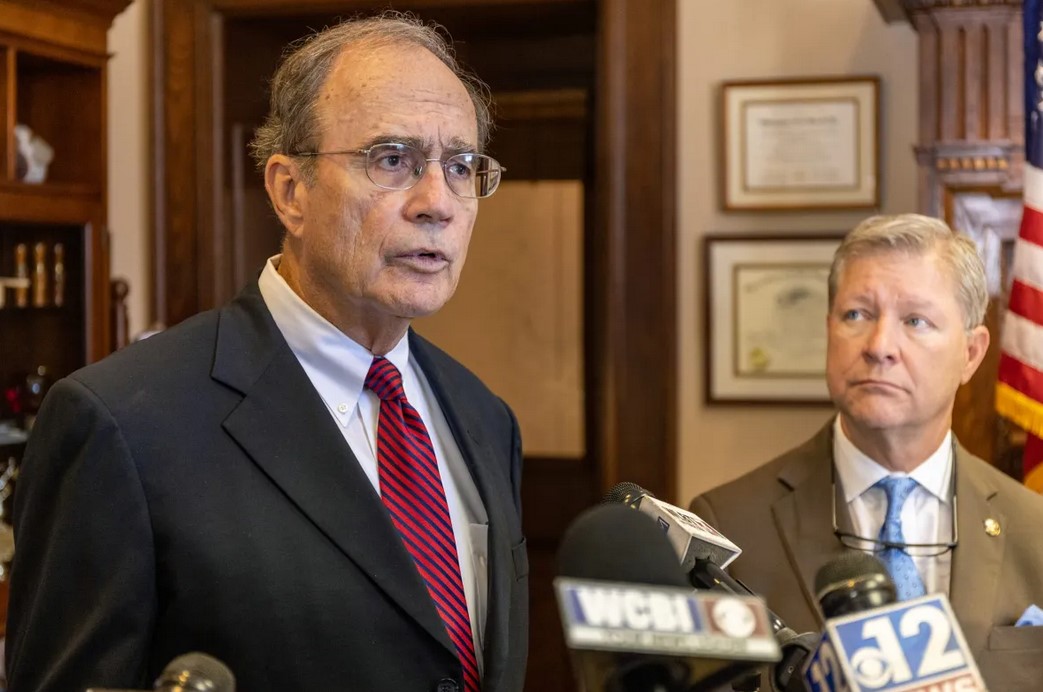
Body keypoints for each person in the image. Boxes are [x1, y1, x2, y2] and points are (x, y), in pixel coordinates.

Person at [5, 12, 528, 692]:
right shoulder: (121, 426)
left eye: (459, 166)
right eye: (392, 160)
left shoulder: (484, 418)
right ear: (290, 192)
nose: (438, 203)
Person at [690, 214, 1043, 690]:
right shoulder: (726, 526)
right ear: (829, 329)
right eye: (856, 315)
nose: (880, 346)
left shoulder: (1035, 532)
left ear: (971, 353)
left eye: (915, 321)